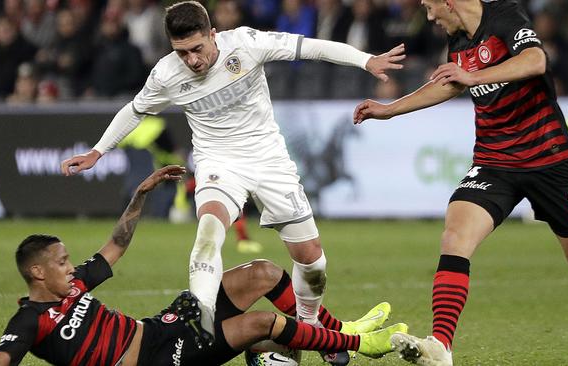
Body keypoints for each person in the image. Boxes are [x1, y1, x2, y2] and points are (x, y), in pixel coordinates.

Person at [59, 0, 406, 353]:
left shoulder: (246, 43)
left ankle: (312, 326)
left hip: (269, 158)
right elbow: (135, 110)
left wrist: (366, 60)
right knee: (209, 230)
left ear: (213, 34)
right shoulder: (166, 74)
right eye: (182, 54)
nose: (192, 60)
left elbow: (310, 46)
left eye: (197, 49)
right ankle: (202, 323)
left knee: (312, 258)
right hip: (218, 162)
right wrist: (98, 151)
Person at [353, 0, 568, 365]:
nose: (429, 17)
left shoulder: (504, 16)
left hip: (549, 159)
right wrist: (389, 109)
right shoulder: (459, 41)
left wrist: (473, 77)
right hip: (494, 161)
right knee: (455, 236)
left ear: (448, 2)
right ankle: (441, 346)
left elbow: (535, 61)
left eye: (430, 8)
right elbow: (450, 85)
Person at [0, 165, 409, 366]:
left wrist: (141, 194)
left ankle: (331, 336)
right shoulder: (29, 320)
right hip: (159, 360)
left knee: (261, 272)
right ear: (37, 273)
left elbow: (116, 244)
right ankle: (359, 346)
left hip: (159, 328)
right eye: (61, 262)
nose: (70, 268)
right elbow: (0, 361)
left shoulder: (74, 285)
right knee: (260, 323)